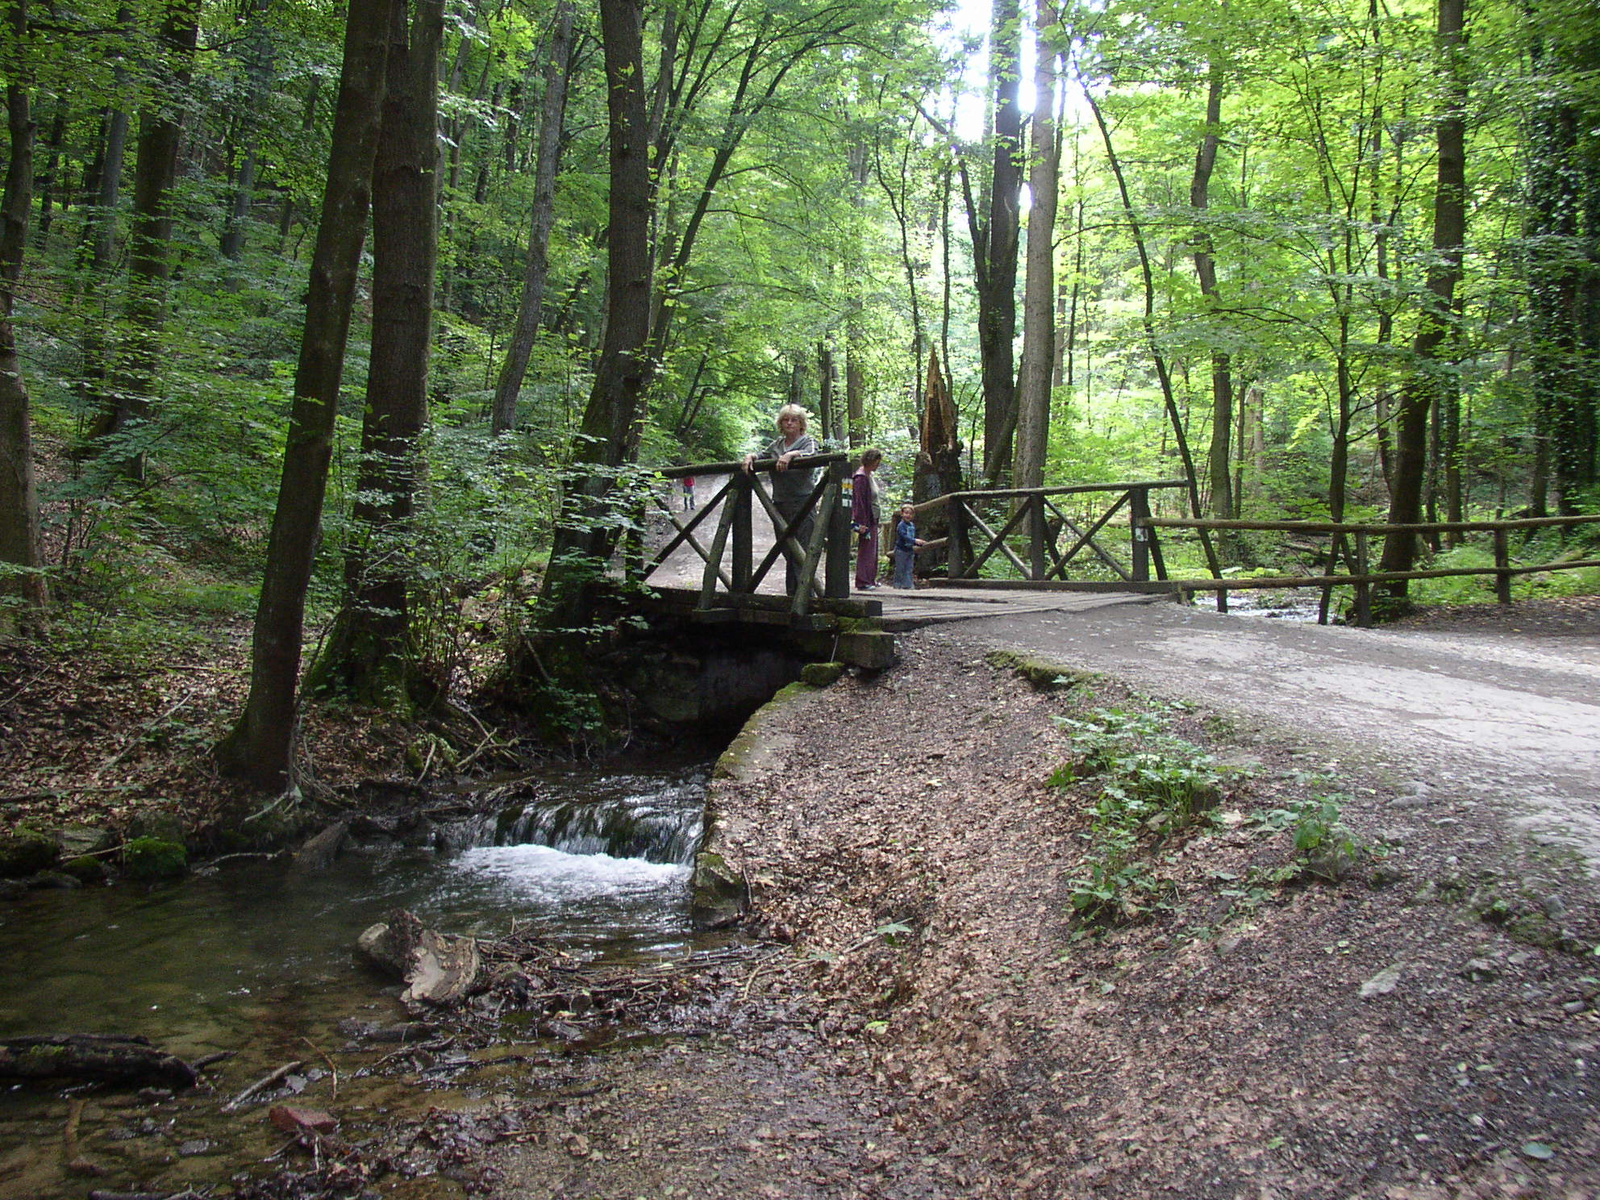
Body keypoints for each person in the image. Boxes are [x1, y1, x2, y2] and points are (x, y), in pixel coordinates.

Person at [742, 404, 818, 593]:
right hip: (780, 503)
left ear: (801, 424)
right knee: (787, 549)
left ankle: (806, 597)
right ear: (781, 424)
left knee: (803, 549)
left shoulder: (808, 441)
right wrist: (750, 456)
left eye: (794, 420)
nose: (790, 423)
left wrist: (792, 454)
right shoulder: (776, 445)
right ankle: (794, 594)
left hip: (803, 502)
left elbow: (814, 454)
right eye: (786, 420)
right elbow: (762, 455)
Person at [851, 448, 884, 590]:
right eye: (876, 462)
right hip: (866, 520)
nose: (877, 465)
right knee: (866, 551)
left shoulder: (869, 475)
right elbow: (859, 501)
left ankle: (870, 579)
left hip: (873, 518)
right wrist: (861, 522)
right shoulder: (860, 478)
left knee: (873, 550)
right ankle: (863, 581)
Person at [892, 502, 926, 589]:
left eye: (910, 514)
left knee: (909, 568)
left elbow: (911, 536)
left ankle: (907, 585)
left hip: (909, 549)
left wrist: (916, 542)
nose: (908, 515)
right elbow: (904, 536)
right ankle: (897, 584)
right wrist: (915, 541)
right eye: (906, 513)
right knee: (900, 568)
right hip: (901, 550)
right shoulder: (901, 525)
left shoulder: (912, 525)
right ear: (902, 514)